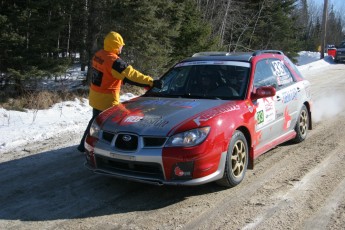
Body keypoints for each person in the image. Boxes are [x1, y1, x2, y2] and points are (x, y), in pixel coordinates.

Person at [77, 31, 162, 152]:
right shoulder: (115, 62)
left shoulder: (99, 54)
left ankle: (83, 146)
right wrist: (151, 82)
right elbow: (132, 75)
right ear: (116, 45)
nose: (122, 47)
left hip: (95, 94)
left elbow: (108, 74)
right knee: (116, 124)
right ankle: (113, 149)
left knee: (95, 120)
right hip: (107, 99)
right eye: (121, 45)